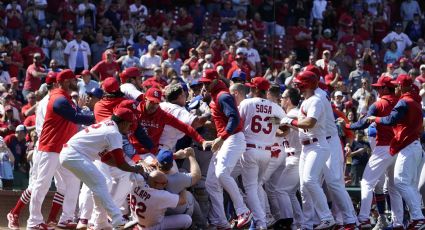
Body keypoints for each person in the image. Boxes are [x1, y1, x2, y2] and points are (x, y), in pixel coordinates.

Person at [27, 69, 94, 229]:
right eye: (73, 79)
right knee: (41, 184)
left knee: (73, 181)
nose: (76, 82)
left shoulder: (66, 98)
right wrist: (97, 116)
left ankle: (66, 218)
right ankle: (34, 221)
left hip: (63, 149)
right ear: (65, 82)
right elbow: (75, 117)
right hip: (49, 148)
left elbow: (76, 112)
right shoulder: (58, 98)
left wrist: (83, 109)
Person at [60, 108, 145, 229]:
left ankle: (101, 222)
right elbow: (120, 163)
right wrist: (135, 169)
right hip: (74, 154)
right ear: (124, 122)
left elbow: (105, 159)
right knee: (100, 182)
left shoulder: (108, 125)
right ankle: (117, 218)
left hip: (72, 153)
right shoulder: (114, 133)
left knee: (100, 184)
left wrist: (129, 167)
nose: (129, 127)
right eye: (130, 124)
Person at [367, 74, 425, 228]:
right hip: (414, 146)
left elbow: (390, 120)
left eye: (397, 86)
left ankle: (418, 218)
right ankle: (415, 219)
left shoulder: (404, 102)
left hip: (408, 147)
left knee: (400, 182)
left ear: (401, 86)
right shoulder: (416, 101)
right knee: (408, 184)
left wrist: (376, 119)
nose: (396, 88)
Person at [346, 76, 403, 228]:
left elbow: (362, 123)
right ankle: (397, 222)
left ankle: (364, 218)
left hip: (383, 147)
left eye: (379, 88)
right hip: (398, 149)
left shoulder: (379, 104)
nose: (377, 90)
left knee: (366, 182)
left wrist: (347, 125)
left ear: (385, 88)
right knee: (392, 187)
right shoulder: (400, 102)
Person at [280, 71, 335, 229]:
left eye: (299, 83)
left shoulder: (316, 100)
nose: (297, 86)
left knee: (310, 181)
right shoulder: (306, 101)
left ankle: (327, 217)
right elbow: (302, 124)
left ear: (306, 84)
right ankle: (307, 223)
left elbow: (309, 123)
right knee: (304, 186)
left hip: (318, 145)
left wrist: (290, 121)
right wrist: (290, 123)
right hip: (307, 146)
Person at [199, 69, 252, 229]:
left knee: (222, 173)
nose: (205, 85)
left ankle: (243, 211)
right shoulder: (216, 95)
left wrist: (221, 138)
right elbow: (221, 119)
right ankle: (221, 221)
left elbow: (234, 119)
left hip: (233, 138)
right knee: (211, 183)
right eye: (203, 83)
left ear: (215, 80)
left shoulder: (223, 95)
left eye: (207, 82)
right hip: (226, 139)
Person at [238, 77, 285, 229]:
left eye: (252, 87)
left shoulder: (246, 103)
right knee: (257, 186)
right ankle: (262, 218)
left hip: (250, 149)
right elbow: (286, 128)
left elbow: (238, 124)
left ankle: (261, 221)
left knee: (251, 188)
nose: (250, 89)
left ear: (258, 90)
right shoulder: (276, 108)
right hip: (266, 152)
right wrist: (273, 128)